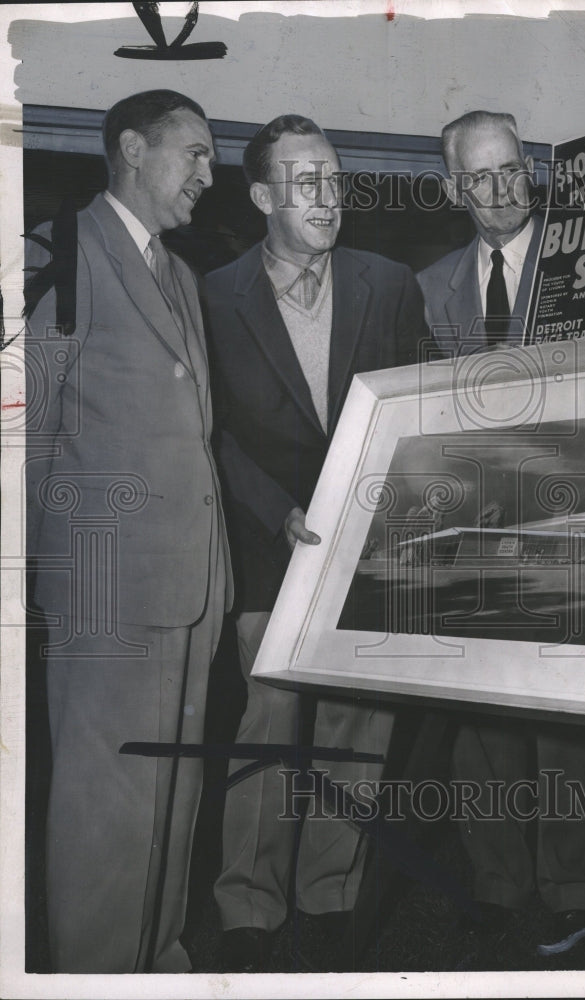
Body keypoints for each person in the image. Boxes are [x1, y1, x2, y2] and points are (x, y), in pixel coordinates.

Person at [204, 114, 428, 972]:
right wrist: (276, 513)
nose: (328, 197)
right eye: (305, 182)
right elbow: (213, 429)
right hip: (270, 546)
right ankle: (247, 906)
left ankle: (330, 892)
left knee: (357, 721)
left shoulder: (388, 281)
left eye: (334, 179)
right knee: (269, 717)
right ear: (263, 196)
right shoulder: (213, 294)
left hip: (370, 547)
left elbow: (418, 408)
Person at [25, 89, 231, 973]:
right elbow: (23, 430)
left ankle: (157, 961)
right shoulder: (58, 251)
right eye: (196, 155)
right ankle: (98, 978)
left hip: (189, 584)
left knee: (173, 798)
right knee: (107, 808)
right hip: (105, 591)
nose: (209, 177)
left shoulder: (179, 275)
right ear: (133, 149)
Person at [417, 110, 585, 952]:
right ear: (455, 187)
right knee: (481, 711)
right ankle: (495, 884)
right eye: (479, 177)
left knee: (567, 716)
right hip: (472, 521)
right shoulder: (426, 287)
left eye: (511, 170)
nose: (500, 192)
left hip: (570, 509)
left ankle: (573, 890)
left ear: (529, 168)